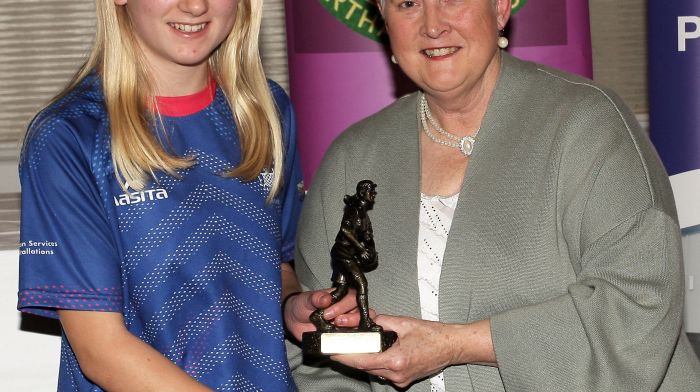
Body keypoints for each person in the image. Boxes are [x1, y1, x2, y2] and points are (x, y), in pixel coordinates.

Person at [283, 0, 700, 391]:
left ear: (500, 6)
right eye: (407, 2)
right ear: (383, 17)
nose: (432, 25)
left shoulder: (586, 125)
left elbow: (639, 309)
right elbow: (317, 366)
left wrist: (458, 344)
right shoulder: (352, 158)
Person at [17, 0, 304, 390]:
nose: (195, 6)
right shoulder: (70, 136)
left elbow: (278, 266)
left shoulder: (266, 112)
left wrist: (294, 305)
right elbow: (102, 352)